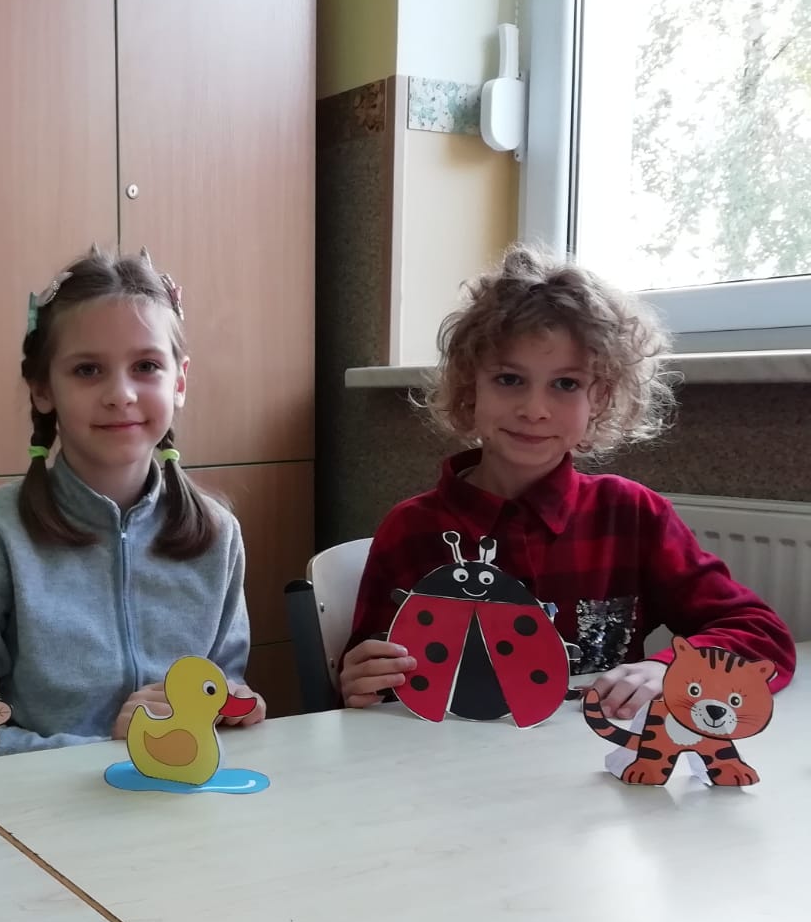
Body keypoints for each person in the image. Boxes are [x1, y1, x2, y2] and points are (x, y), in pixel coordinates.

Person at [340, 245, 794, 716]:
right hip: (448, 756)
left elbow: (760, 636)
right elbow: (367, 691)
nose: (534, 409)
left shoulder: (633, 515)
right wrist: (359, 682)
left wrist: (670, 670)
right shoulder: (411, 529)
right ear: (470, 386)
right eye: (509, 379)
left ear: (600, 398)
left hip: (596, 755)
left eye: (566, 384)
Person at [0, 247, 263, 752]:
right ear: (42, 390)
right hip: (41, 799)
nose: (121, 394)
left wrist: (233, 705)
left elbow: (223, 688)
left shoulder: (218, 534)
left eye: (146, 365)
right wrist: (108, 751)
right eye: (87, 370)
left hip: (181, 793)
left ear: (179, 381)